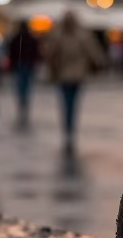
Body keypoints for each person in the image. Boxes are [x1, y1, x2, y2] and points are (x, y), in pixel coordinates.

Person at [44, 11, 106, 148]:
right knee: (70, 103)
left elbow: (49, 53)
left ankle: (68, 128)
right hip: (72, 75)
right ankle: (69, 128)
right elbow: (93, 51)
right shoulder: (77, 35)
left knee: (68, 103)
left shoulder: (63, 35)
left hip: (69, 76)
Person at [6, 20, 41, 126]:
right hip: (27, 66)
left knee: (21, 89)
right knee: (26, 89)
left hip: (20, 66)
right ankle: (24, 110)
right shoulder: (31, 39)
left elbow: (11, 52)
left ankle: (22, 109)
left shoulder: (16, 38)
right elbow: (36, 52)